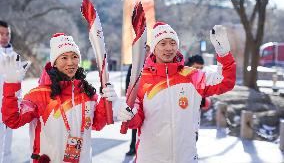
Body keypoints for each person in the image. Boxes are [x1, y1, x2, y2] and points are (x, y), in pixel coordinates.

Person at [118, 22, 236, 162]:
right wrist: (128, 114)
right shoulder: (142, 80)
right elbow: (136, 120)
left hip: (185, 157)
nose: (169, 48)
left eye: (173, 43)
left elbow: (224, 82)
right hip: (151, 158)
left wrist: (224, 54)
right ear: (154, 47)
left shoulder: (192, 76)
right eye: (163, 43)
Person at [0, 33, 119, 163]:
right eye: (64, 57)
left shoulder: (86, 93)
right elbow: (12, 120)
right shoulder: (39, 95)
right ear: (54, 63)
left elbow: (96, 124)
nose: (70, 62)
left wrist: (106, 101)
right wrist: (11, 87)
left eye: (74, 57)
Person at [125, 44, 150, 156]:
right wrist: (129, 97)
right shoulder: (134, 65)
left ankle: (146, 147)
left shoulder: (153, 63)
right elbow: (128, 81)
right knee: (135, 125)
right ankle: (133, 147)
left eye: (147, 50)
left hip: (149, 99)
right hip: (136, 100)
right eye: (143, 50)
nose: (145, 53)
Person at [0, 20, 14, 163]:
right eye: (1, 34)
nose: (4, 37)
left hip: (9, 110)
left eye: (7, 34)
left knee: (7, 147)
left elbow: (18, 85)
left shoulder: (15, 57)